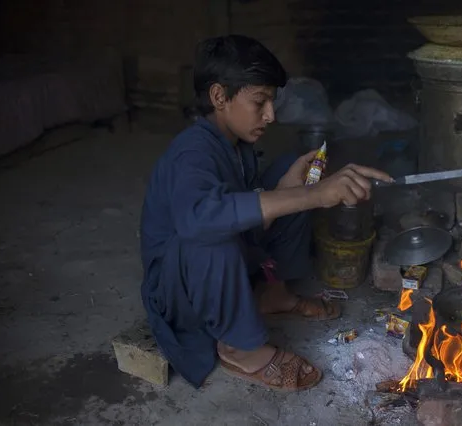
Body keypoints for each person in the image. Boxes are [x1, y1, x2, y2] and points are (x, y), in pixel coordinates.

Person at [140, 34, 392, 392]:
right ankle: (238, 346)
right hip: (179, 288)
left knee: (292, 174)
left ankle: (274, 293)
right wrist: (313, 196)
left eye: (272, 102)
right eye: (260, 102)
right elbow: (201, 220)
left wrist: (296, 191)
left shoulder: (236, 145)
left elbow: (253, 205)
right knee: (218, 225)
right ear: (219, 96)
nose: (271, 115)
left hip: (217, 259)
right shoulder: (191, 153)